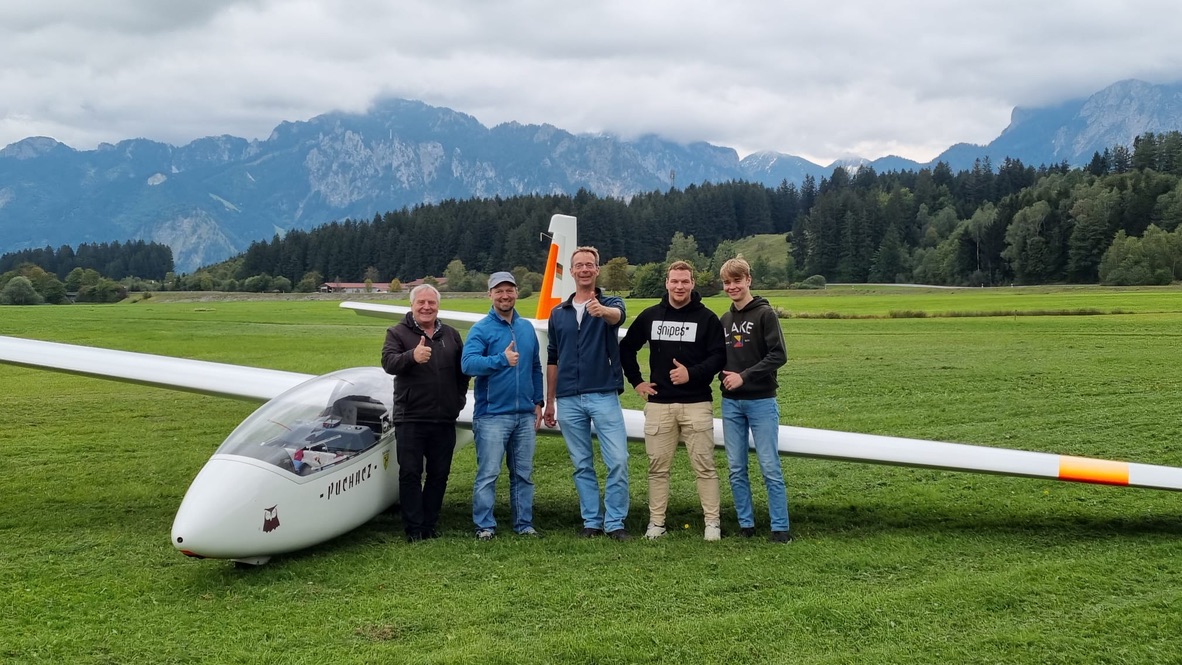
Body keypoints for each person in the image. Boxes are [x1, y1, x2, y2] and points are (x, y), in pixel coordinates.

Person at [620, 260, 727, 541]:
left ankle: (712, 524)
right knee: (658, 469)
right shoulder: (651, 316)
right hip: (659, 405)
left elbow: (719, 356)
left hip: (697, 404)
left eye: (685, 281)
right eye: (675, 281)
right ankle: (656, 524)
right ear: (667, 283)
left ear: (692, 284)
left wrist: (691, 373)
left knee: (705, 467)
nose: (679, 286)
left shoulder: (707, 318)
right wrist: (637, 382)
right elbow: (626, 348)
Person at [543, 246, 632, 540]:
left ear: (597, 270)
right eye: (579, 265)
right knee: (582, 464)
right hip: (568, 398)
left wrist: (601, 311)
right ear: (571, 272)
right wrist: (550, 401)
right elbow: (553, 357)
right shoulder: (558, 313)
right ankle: (591, 520)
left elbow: (618, 316)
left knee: (617, 460)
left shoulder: (610, 303)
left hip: (603, 394)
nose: (584, 269)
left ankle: (615, 522)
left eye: (589, 265)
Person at [380, 283, 469, 542]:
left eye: (431, 303)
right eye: (421, 302)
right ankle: (414, 528)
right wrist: (412, 356)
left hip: (444, 418)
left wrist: (458, 400)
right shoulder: (397, 332)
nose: (426, 307)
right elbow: (388, 363)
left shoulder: (451, 335)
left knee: (439, 474)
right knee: (410, 473)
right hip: (411, 417)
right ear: (412, 305)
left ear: (438, 306)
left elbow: (462, 372)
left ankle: (430, 523)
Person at [461, 271, 545, 540]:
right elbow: (468, 364)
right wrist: (501, 360)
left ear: (517, 293)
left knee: (523, 474)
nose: (504, 296)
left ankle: (524, 523)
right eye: (499, 291)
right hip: (492, 415)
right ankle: (485, 525)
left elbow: (535, 366)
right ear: (490, 295)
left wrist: (538, 401)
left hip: (524, 415)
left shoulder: (526, 328)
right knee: (488, 473)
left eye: (509, 290)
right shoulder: (481, 329)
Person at [718, 257, 791, 543]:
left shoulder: (765, 314)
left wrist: (744, 377)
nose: (732, 287)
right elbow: (719, 358)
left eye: (737, 281)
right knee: (736, 468)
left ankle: (780, 528)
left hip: (761, 401)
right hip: (731, 403)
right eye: (727, 283)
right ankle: (745, 525)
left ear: (748, 280)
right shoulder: (724, 320)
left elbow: (778, 355)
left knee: (769, 466)